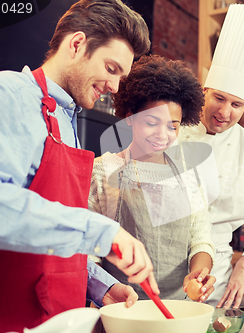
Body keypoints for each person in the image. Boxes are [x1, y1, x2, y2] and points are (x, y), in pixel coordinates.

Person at [0, 1, 159, 331]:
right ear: (77, 44)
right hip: (5, 319)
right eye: (112, 68)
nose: (115, 87)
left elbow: (46, 235)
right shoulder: (4, 95)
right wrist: (103, 233)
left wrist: (99, 284)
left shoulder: (67, 120)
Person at [178, 4, 244, 309]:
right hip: (156, 267)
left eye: (237, 105)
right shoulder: (170, 132)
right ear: (205, 90)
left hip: (216, 276)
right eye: (219, 98)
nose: (225, 113)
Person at [89, 55, 216, 302]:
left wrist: (200, 272)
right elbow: (90, 249)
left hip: (177, 311)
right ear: (129, 118)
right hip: (121, 308)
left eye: (173, 126)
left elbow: (200, 240)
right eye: (151, 122)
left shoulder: (188, 175)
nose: (163, 135)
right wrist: (101, 293)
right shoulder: (103, 171)